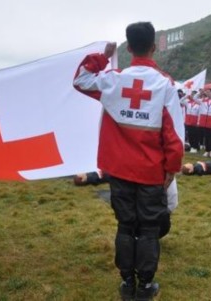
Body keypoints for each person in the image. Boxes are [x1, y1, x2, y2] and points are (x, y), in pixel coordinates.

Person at [73, 22, 184, 301]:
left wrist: (103, 55)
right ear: (154, 46)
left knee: (125, 225)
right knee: (148, 227)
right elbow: (174, 136)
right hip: (150, 172)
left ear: (129, 46)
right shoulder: (165, 85)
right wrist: (171, 169)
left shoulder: (113, 79)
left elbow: (81, 80)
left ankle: (126, 283)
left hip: (119, 170)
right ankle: (145, 286)